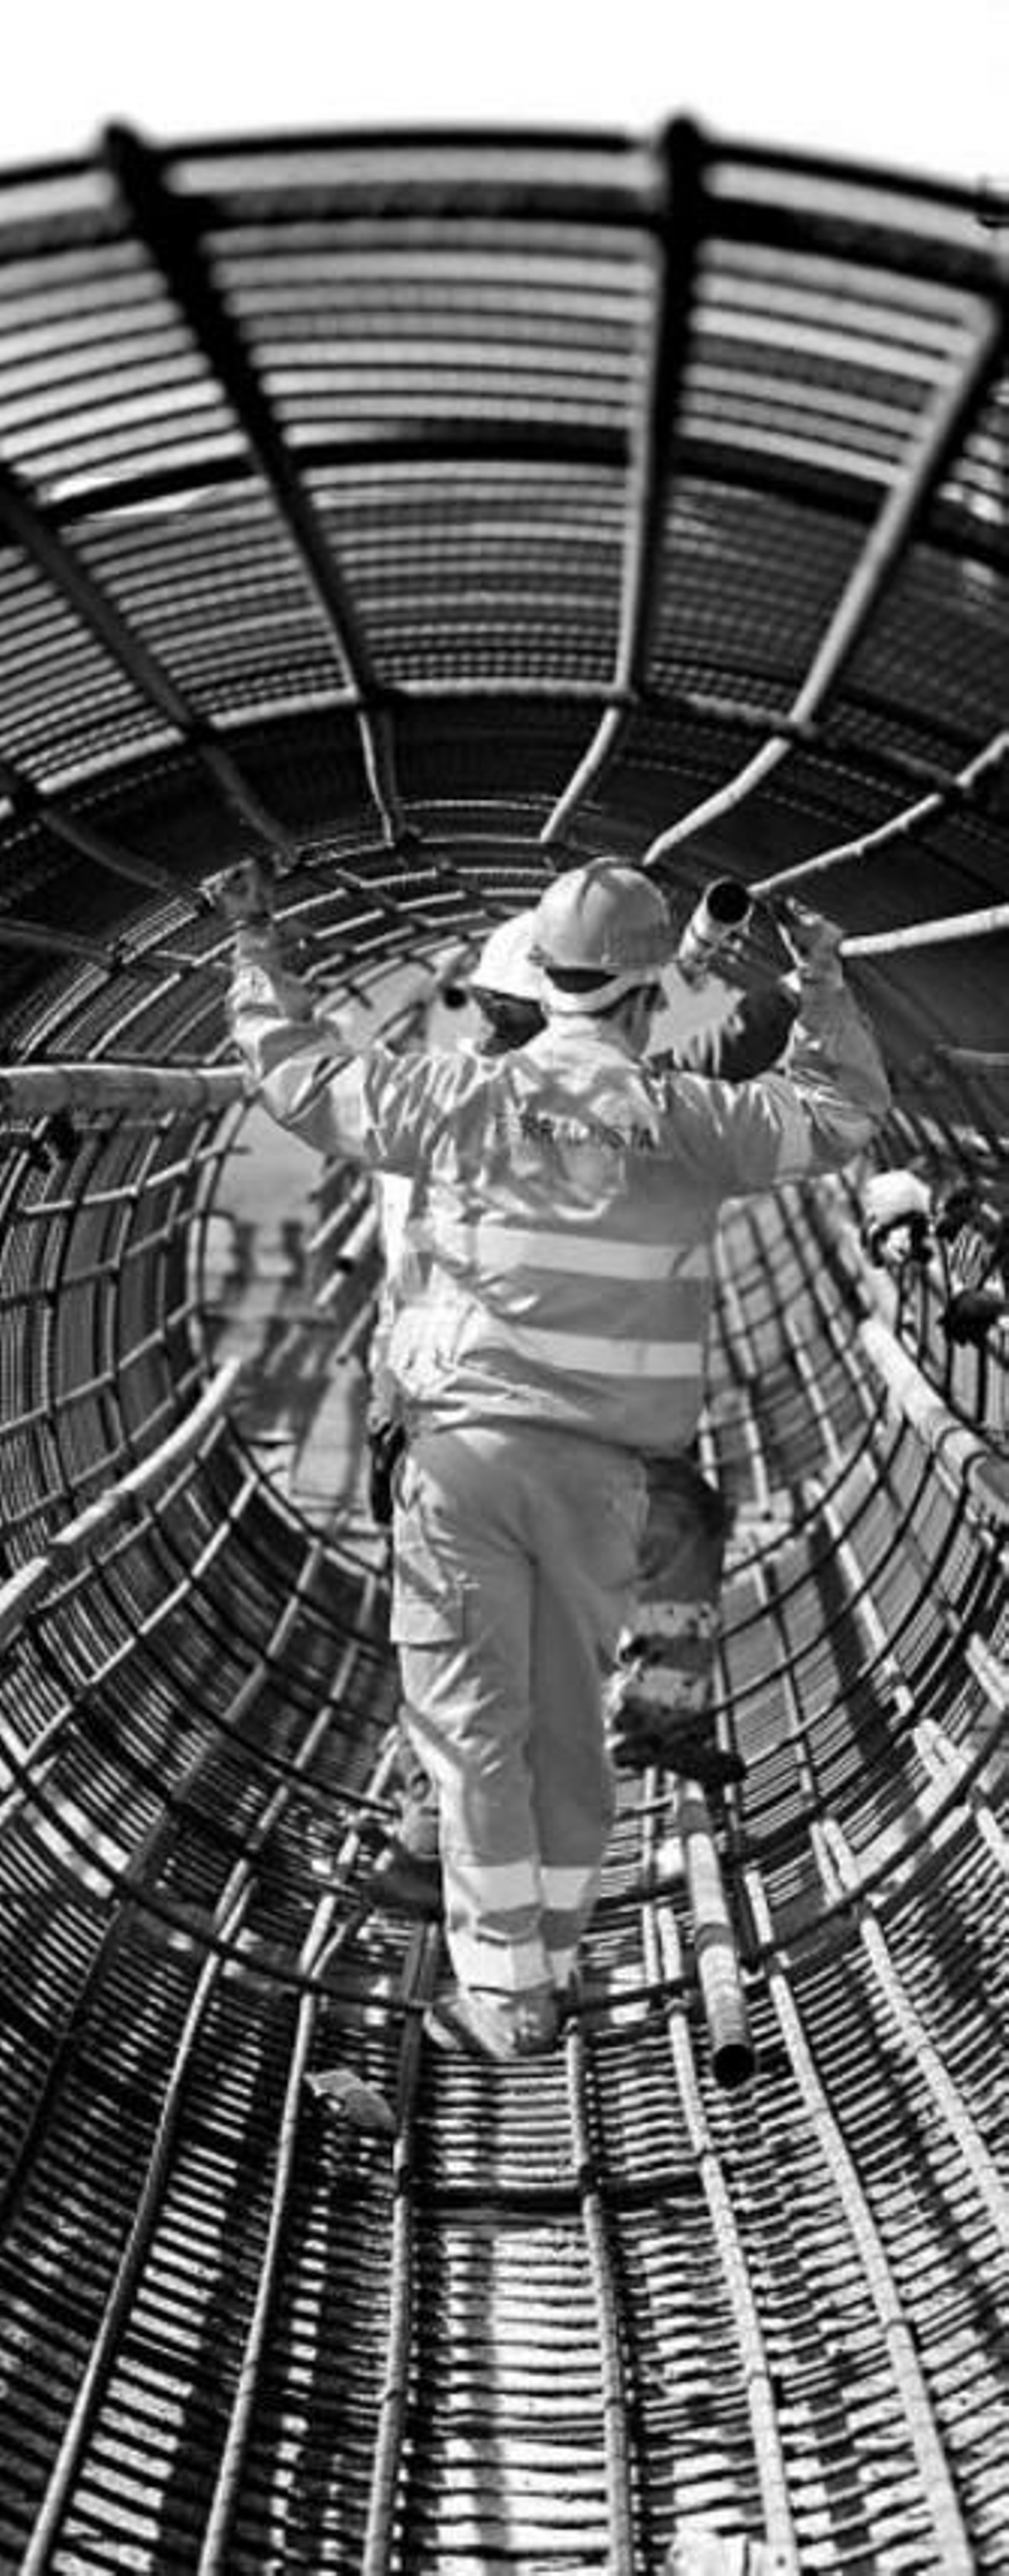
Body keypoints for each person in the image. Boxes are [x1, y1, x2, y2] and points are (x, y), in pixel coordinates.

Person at [226, 857, 890, 2063]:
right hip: (608, 1477)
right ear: (646, 992)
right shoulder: (687, 1119)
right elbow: (841, 1118)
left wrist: (261, 961)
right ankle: (548, 1967)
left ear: (535, 984)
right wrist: (824, 983)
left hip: (466, 1459)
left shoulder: (454, 1099)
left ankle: (506, 1993)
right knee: (568, 1725)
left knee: (475, 1723)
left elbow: (301, 1079)